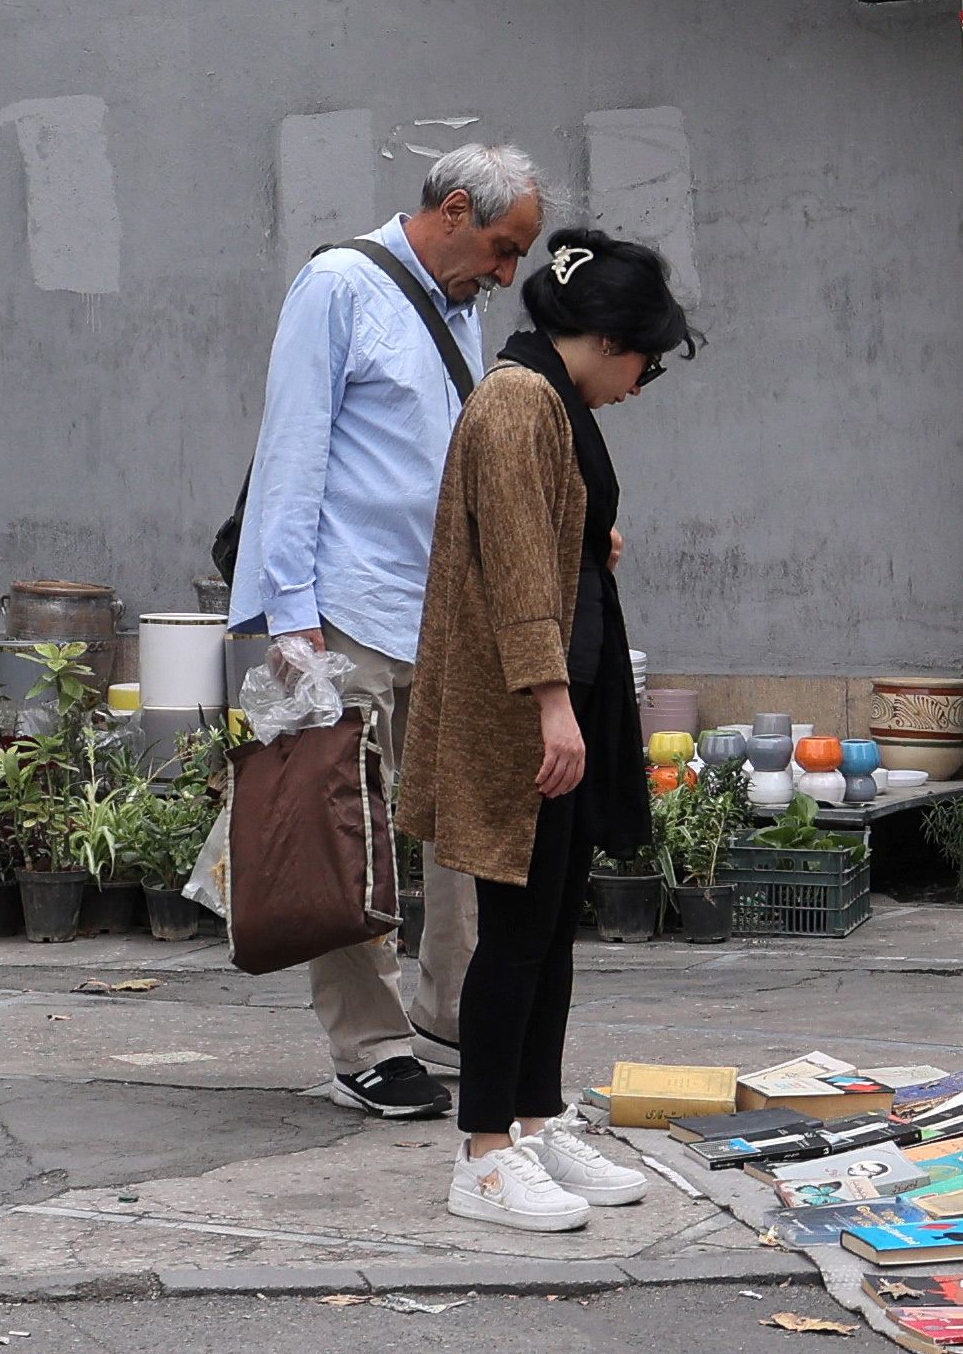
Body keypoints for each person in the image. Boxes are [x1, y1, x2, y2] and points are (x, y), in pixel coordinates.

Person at [233, 145, 550, 1120]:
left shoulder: (461, 303)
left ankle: (449, 1015)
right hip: (344, 617)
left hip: (448, 616)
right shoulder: (336, 287)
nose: (505, 276)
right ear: (452, 209)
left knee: (460, 830)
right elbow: (292, 446)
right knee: (340, 836)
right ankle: (367, 1046)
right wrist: (290, 621)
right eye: (500, 250)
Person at [405, 229, 694, 1234]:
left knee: (550, 927)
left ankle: (532, 1120)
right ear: (607, 338)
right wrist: (552, 706)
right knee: (516, 934)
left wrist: (587, 532)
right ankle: (481, 1152)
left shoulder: (544, 398)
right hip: (525, 703)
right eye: (644, 363)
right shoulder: (517, 402)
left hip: (559, 684)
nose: (641, 383)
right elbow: (520, 574)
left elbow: (539, 535)